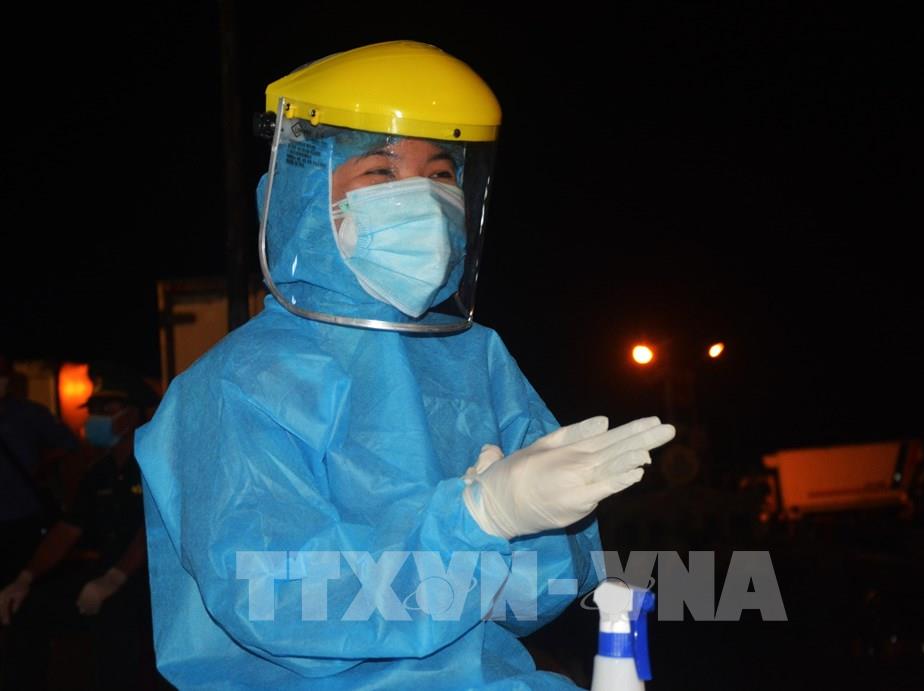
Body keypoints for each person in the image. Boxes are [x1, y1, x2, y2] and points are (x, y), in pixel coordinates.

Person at [135, 41, 675, 689]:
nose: (421, 198)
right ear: (305, 196)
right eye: (380, 173)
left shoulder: (475, 358)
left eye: (441, 174)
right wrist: (478, 522)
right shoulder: (240, 383)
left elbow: (536, 597)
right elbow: (279, 598)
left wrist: (531, 526)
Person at [0, 361, 158, 689]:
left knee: (125, 647)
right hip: (105, 576)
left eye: (107, 409)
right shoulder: (98, 473)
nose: (97, 417)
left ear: (135, 413)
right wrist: (25, 578)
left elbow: (154, 528)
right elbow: (68, 529)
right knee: (30, 614)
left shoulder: (156, 463)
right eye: (94, 409)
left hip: (148, 585)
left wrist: (114, 578)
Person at [0, 352, 79, 584]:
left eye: (2, 373)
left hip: (23, 517)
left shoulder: (28, 413)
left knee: (25, 581)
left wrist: (42, 465)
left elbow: (68, 444)